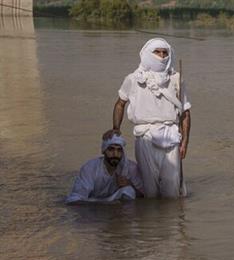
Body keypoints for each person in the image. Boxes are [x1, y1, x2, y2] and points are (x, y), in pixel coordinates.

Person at [104, 38, 191, 198]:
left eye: (165, 53)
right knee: (150, 190)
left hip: (171, 136)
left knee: (172, 190)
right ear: (147, 54)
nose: (161, 56)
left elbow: (185, 112)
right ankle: (151, 222)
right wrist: (116, 129)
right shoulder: (133, 78)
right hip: (145, 137)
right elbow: (120, 104)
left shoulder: (176, 79)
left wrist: (185, 141)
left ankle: (171, 222)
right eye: (157, 52)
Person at [66, 134, 143, 204]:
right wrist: (104, 205)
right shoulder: (91, 167)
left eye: (119, 150)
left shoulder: (130, 168)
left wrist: (129, 184)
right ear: (104, 151)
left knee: (129, 191)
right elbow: (74, 200)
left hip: (114, 202)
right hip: (92, 202)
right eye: (111, 149)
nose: (115, 154)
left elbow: (145, 196)